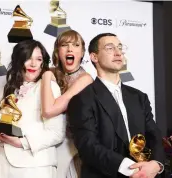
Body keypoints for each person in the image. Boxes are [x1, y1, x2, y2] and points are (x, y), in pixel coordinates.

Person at [67, 33, 165, 178]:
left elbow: (154, 135)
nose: (118, 52)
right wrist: (131, 168)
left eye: (120, 47)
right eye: (109, 48)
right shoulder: (82, 99)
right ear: (94, 57)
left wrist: (156, 164)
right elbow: (88, 146)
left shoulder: (139, 97)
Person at [0, 39, 65, 178]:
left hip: (33, 167)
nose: (33, 64)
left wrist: (21, 142)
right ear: (19, 60)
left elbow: (56, 133)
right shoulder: (4, 89)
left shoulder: (48, 86)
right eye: (28, 58)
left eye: (38, 59)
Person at [41, 29, 93, 178]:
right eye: (65, 45)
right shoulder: (50, 72)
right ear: (57, 52)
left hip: (71, 144)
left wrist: (46, 76)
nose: (70, 49)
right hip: (47, 140)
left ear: (82, 52)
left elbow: (50, 110)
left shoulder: (85, 79)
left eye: (76, 45)